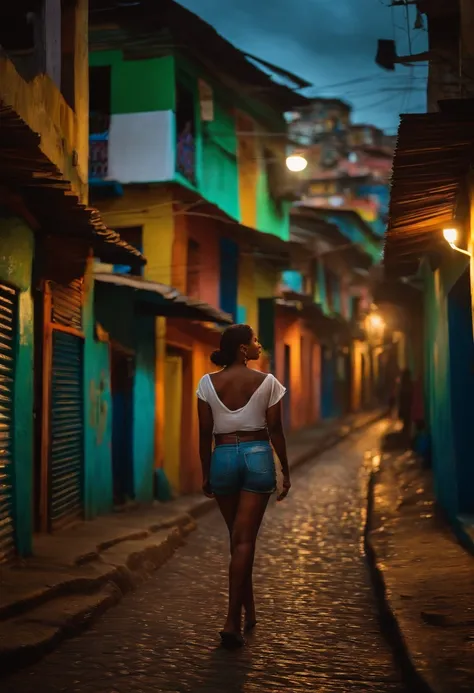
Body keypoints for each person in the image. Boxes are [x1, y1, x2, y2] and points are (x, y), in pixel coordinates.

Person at [196, 324, 290, 649]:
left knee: (236, 539)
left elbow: (204, 431)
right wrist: (286, 469)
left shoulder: (207, 383)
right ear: (242, 349)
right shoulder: (268, 382)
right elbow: (276, 428)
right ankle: (231, 621)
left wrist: (206, 472)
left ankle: (248, 610)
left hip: (222, 456)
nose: (259, 345)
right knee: (245, 540)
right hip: (257, 455)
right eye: (255, 341)